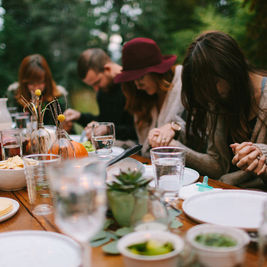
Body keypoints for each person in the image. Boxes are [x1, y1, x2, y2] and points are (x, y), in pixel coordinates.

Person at [148, 31, 267, 190]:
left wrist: (262, 153)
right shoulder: (218, 99)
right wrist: (171, 138)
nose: (209, 94)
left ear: (231, 69)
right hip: (225, 192)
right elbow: (218, 165)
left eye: (213, 83)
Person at [114, 37, 185, 157]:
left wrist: (173, 128)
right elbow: (144, 147)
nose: (137, 86)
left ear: (156, 72)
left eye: (140, 78)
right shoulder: (143, 98)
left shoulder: (182, 87)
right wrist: (112, 144)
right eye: (132, 81)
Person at [63, 48, 137, 142]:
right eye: (92, 86)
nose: (96, 89)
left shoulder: (131, 86)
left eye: (97, 82)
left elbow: (139, 131)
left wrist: (108, 129)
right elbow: (105, 120)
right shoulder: (103, 91)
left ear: (107, 69)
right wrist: (80, 116)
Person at [6, 54, 68, 125]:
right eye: (31, 83)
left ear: (47, 80)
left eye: (40, 82)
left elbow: (67, 129)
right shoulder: (14, 95)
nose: (36, 88)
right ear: (24, 82)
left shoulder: (59, 97)